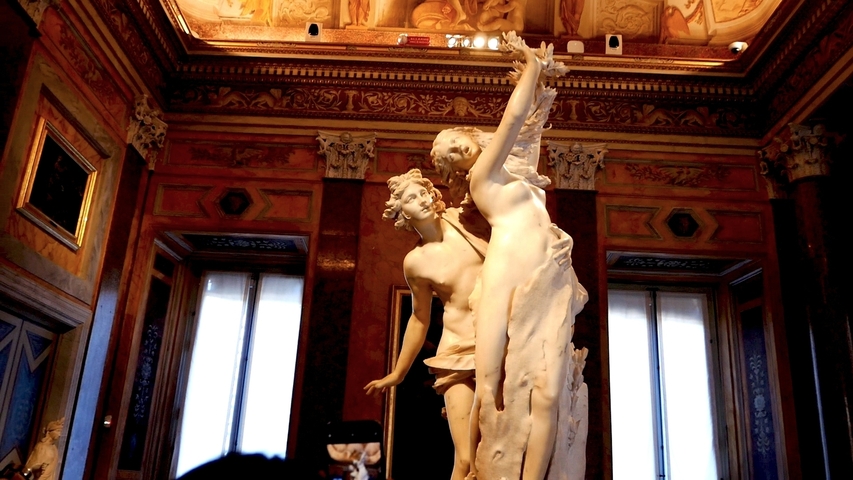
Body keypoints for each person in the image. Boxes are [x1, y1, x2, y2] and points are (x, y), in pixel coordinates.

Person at [431, 35, 587, 480]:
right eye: (450, 157)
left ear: (469, 138)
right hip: (507, 266)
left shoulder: (514, 169)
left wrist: (537, 78)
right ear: (458, 171)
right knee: (489, 383)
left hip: (547, 268)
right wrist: (532, 65)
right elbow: (515, 116)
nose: (458, 153)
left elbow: (527, 124)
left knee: (549, 391)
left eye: (457, 143)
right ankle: (476, 467)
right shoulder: (483, 174)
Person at [364, 169, 488, 480]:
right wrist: (398, 372)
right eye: (409, 198)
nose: (420, 199)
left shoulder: (465, 220)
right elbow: (419, 318)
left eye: (422, 192)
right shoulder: (415, 262)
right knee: (466, 459)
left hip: (501, 346)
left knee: (499, 451)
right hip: (456, 352)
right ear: (400, 211)